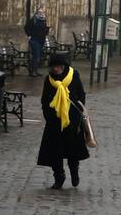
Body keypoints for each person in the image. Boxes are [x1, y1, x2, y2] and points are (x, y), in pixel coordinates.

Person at [37, 52, 90, 189]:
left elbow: (81, 95)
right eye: (53, 67)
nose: (56, 69)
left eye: (58, 66)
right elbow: (44, 100)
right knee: (55, 151)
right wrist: (48, 116)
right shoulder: (49, 80)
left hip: (71, 121)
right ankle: (59, 176)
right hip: (54, 121)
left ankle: (74, 172)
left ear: (64, 66)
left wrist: (76, 114)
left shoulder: (73, 75)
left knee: (73, 150)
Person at [24, 5, 49, 78]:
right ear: (37, 12)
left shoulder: (43, 20)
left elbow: (43, 29)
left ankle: (34, 70)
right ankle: (33, 71)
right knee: (36, 56)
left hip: (41, 40)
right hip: (34, 40)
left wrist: (46, 30)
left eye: (43, 12)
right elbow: (26, 27)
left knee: (38, 56)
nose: (41, 13)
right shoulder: (33, 20)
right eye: (40, 12)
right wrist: (29, 35)